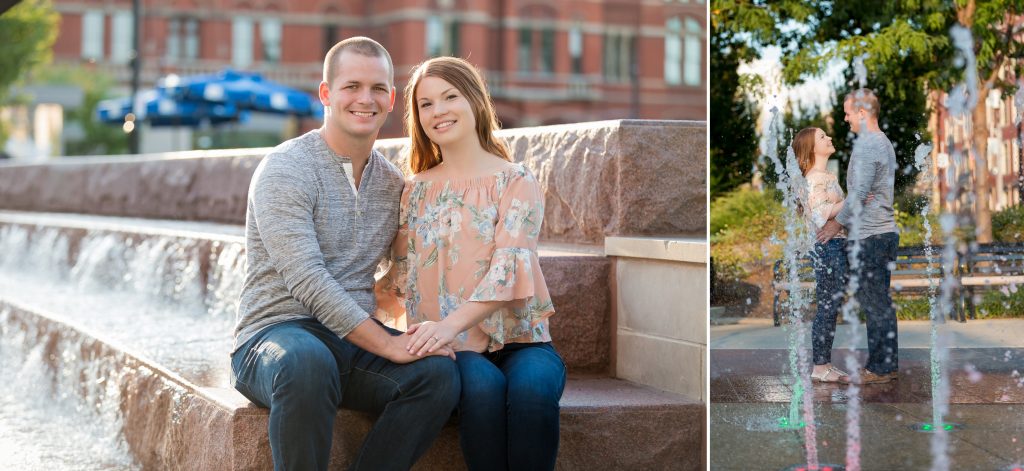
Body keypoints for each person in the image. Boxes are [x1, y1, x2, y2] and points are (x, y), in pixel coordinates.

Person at [229, 37, 460, 471]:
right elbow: (308, 282)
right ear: (326, 94)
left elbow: (410, 268)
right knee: (308, 362)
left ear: (391, 99)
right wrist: (389, 347)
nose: (365, 99)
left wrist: (436, 333)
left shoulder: (392, 183)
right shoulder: (285, 168)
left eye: (377, 89)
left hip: (348, 346)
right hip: (274, 339)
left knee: (437, 375)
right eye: (351, 86)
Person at [376, 56, 566, 471]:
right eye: (425, 104)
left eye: (449, 97)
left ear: (476, 102)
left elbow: (508, 273)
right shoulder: (415, 191)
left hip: (524, 344)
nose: (438, 111)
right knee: (481, 391)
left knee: (533, 392)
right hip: (454, 350)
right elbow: (400, 275)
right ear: (417, 118)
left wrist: (446, 325)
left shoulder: (516, 180)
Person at [816, 88, 900, 385]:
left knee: (875, 303)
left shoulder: (869, 145)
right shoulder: (880, 143)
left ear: (863, 113)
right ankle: (884, 365)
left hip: (871, 237)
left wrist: (834, 225)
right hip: (878, 234)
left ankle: (881, 368)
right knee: (877, 302)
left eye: (849, 112)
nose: (846, 117)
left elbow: (860, 195)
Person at [794, 127, 849, 383]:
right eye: (822, 137)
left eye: (828, 134)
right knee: (827, 307)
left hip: (835, 245)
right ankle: (819, 367)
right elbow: (818, 214)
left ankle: (824, 363)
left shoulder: (825, 175)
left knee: (831, 306)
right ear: (812, 148)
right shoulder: (815, 178)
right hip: (827, 248)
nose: (829, 138)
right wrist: (853, 201)